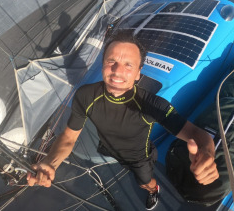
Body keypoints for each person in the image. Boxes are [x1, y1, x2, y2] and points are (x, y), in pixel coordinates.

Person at [27, 30, 219, 210]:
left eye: (129, 65)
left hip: (138, 158)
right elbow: (69, 137)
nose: (117, 71)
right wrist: (51, 162)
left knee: (144, 182)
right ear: (102, 65)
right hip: (108, 149)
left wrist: (207, 152)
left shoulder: (151, 104)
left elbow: (196, 134)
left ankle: (154, 190)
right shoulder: (85, 96)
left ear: (138, 73)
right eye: (111, 61)